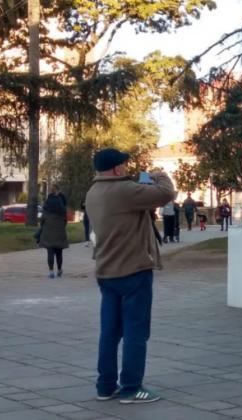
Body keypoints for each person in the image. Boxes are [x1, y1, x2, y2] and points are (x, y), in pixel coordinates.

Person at [85, 147, 175, 404]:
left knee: (109, 332)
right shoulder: (124, 190)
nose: (126, 168)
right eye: (124, 165)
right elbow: (166, 193)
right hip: (133, 271)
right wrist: (159, 174)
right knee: (136, 331)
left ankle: (105, 386)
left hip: (106, 271)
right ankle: (132, 388)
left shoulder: (93, 192)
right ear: (116, 168)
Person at [38, 185, 69, 279]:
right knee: (59, 252)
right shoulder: (61, 205)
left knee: (50, 252)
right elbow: (65, 220)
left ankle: (51, 272)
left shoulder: (47, 204)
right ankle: (59, 270)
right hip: (59, 231)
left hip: (48, 231)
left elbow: (42, 220)